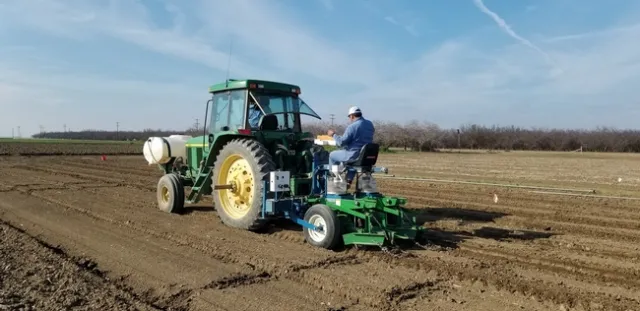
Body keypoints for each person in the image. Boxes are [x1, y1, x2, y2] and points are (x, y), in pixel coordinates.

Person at [327, 106, 375, 183]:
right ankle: (349, 180)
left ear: (352, 116)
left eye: (349, 117)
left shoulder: (353, 126)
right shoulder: (370, 124)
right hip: (365, 155)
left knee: (332, 155)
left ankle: (333, 180)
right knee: (350, 162)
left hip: (353, 154)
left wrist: (333, 135)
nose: (349, 119)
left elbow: (341, 142)